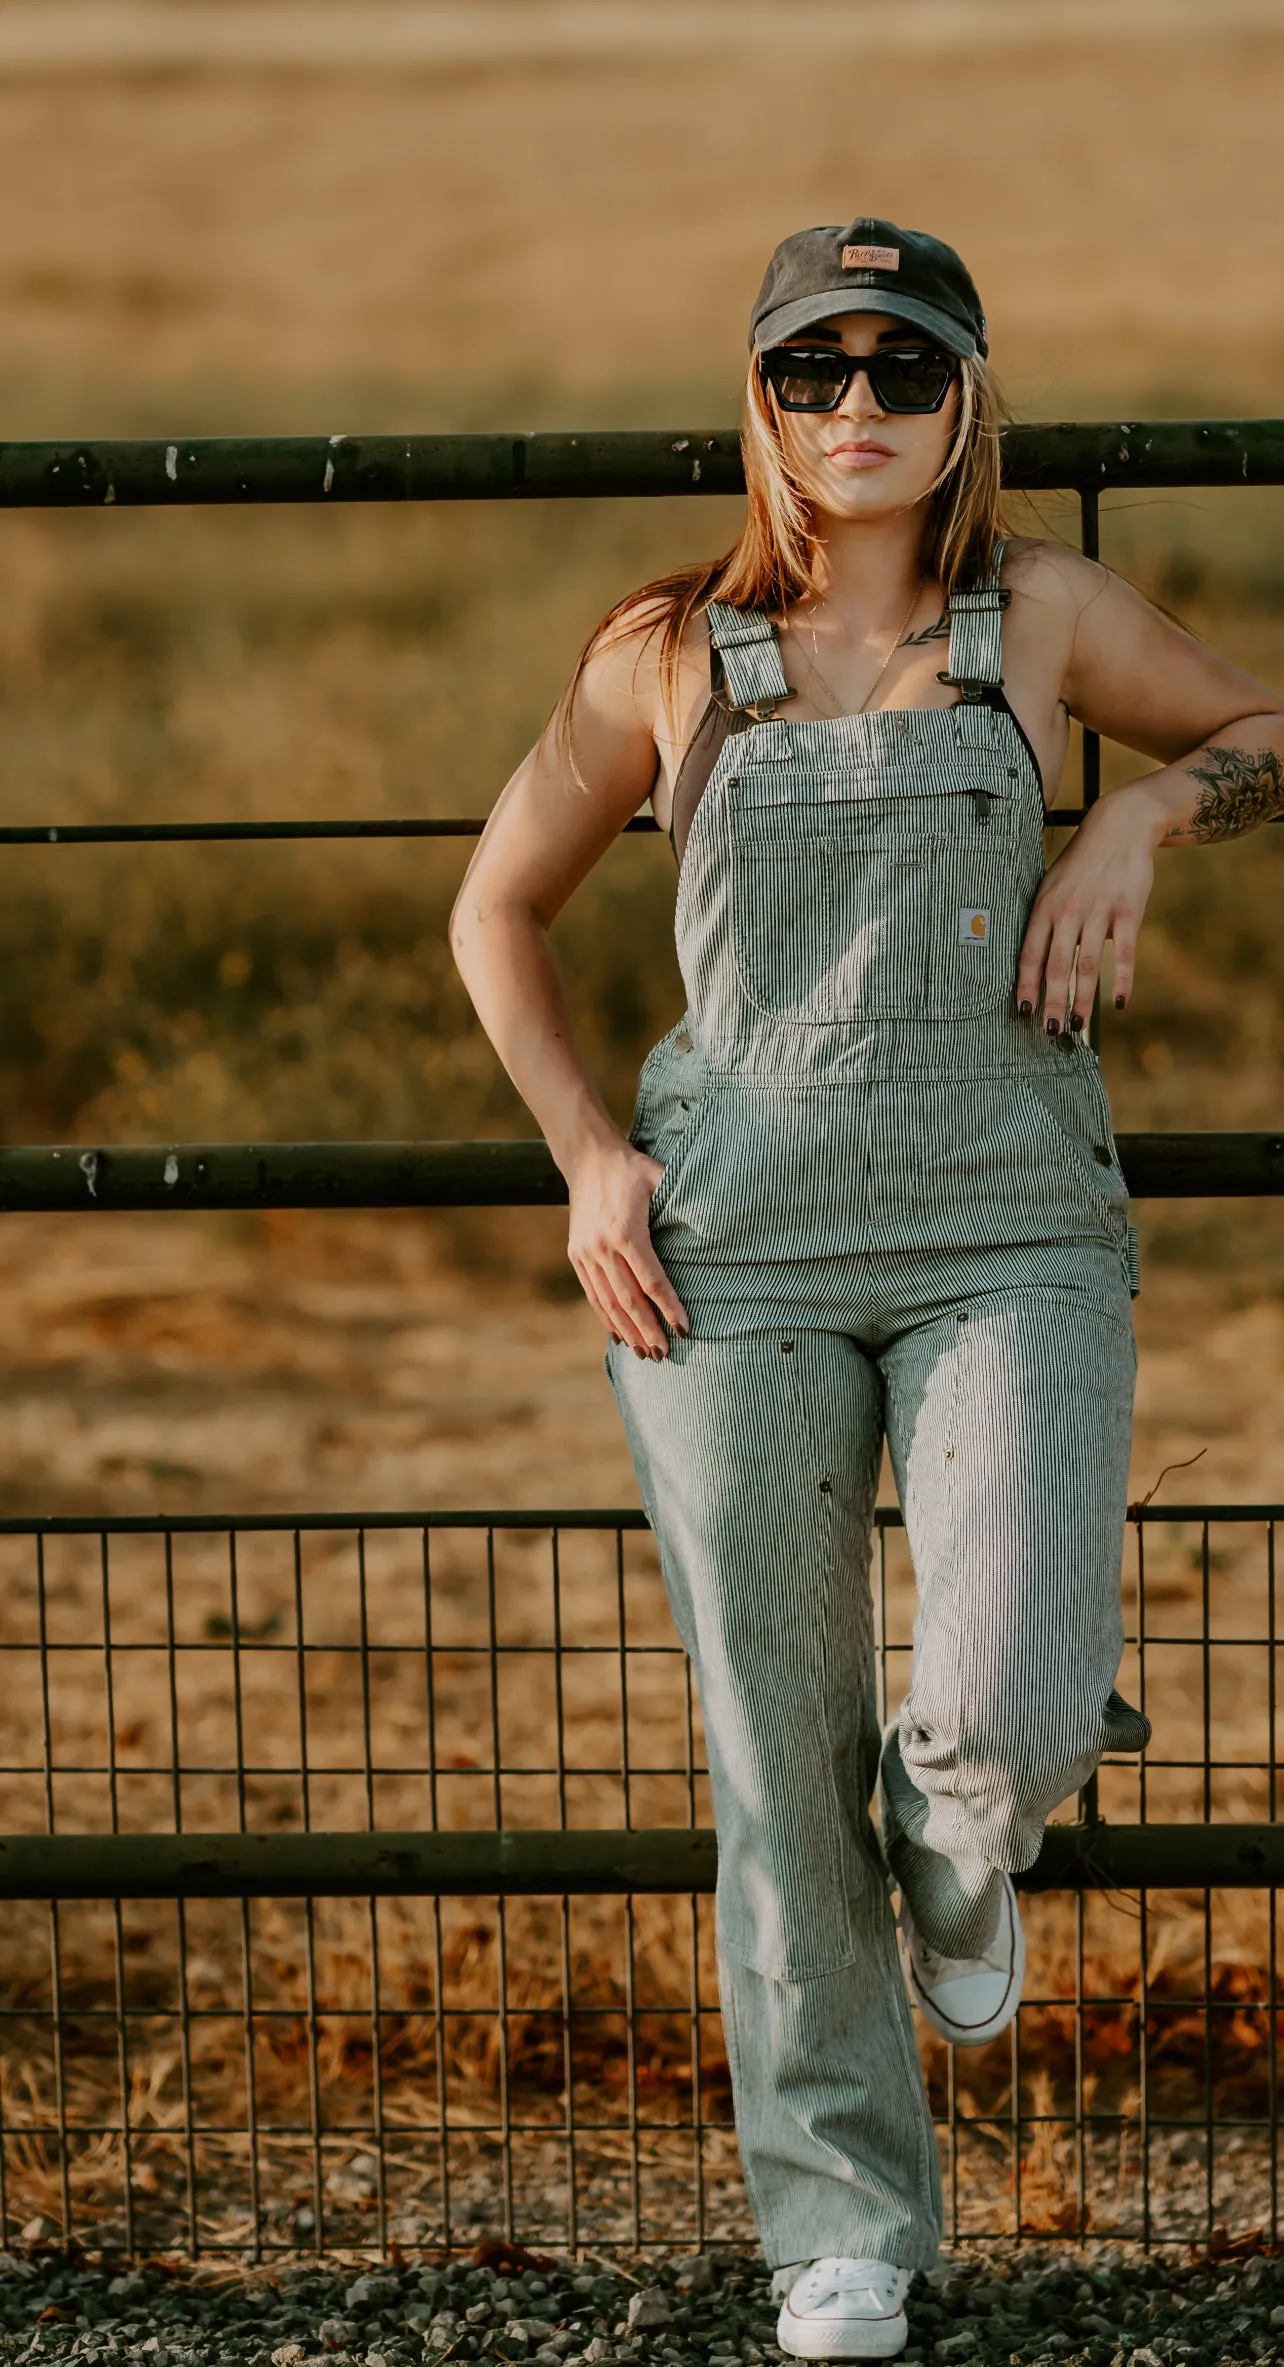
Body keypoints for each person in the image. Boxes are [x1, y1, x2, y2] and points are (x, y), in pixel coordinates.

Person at [450, 216, 1284, 2359]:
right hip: (726, 1256)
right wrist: (586, 1157)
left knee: (998, 1693)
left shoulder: (1047, 615)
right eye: (812, 376)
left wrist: (1141, 821)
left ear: (963, 402)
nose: (856, 416)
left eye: (900, 375)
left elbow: (1278, 723)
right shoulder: (666, 653)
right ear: (759, 404)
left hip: (1012, 1223)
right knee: (768, 1750)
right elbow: (496, 913)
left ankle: (962, 1836)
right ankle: (846, 2230)